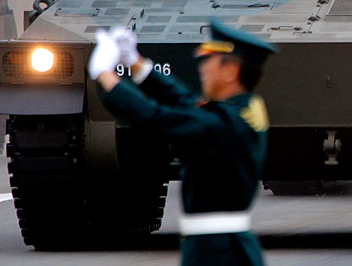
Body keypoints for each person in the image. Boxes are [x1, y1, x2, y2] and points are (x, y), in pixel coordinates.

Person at [90, 20, 275, 266]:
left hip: (217, 254)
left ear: (231, 71)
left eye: (209, 61)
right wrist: (136, 63)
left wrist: (104, 75)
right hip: (225, 248)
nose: (202, 68)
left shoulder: (221, 125)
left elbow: (155, 118)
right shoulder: (238, 113)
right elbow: (183, 100)